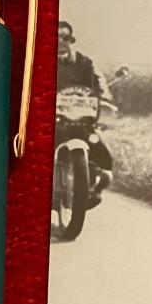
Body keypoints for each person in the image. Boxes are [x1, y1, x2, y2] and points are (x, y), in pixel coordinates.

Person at [56, 21, 113, 208]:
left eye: (65, 37)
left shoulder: (84, 62)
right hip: (54, 118)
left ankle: (93, 187)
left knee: (101, 150)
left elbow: (99, 81)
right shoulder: (40, 58)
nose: (60, 41)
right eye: (56, 36)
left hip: (81, 118)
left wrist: (104, 95)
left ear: (71, 40)